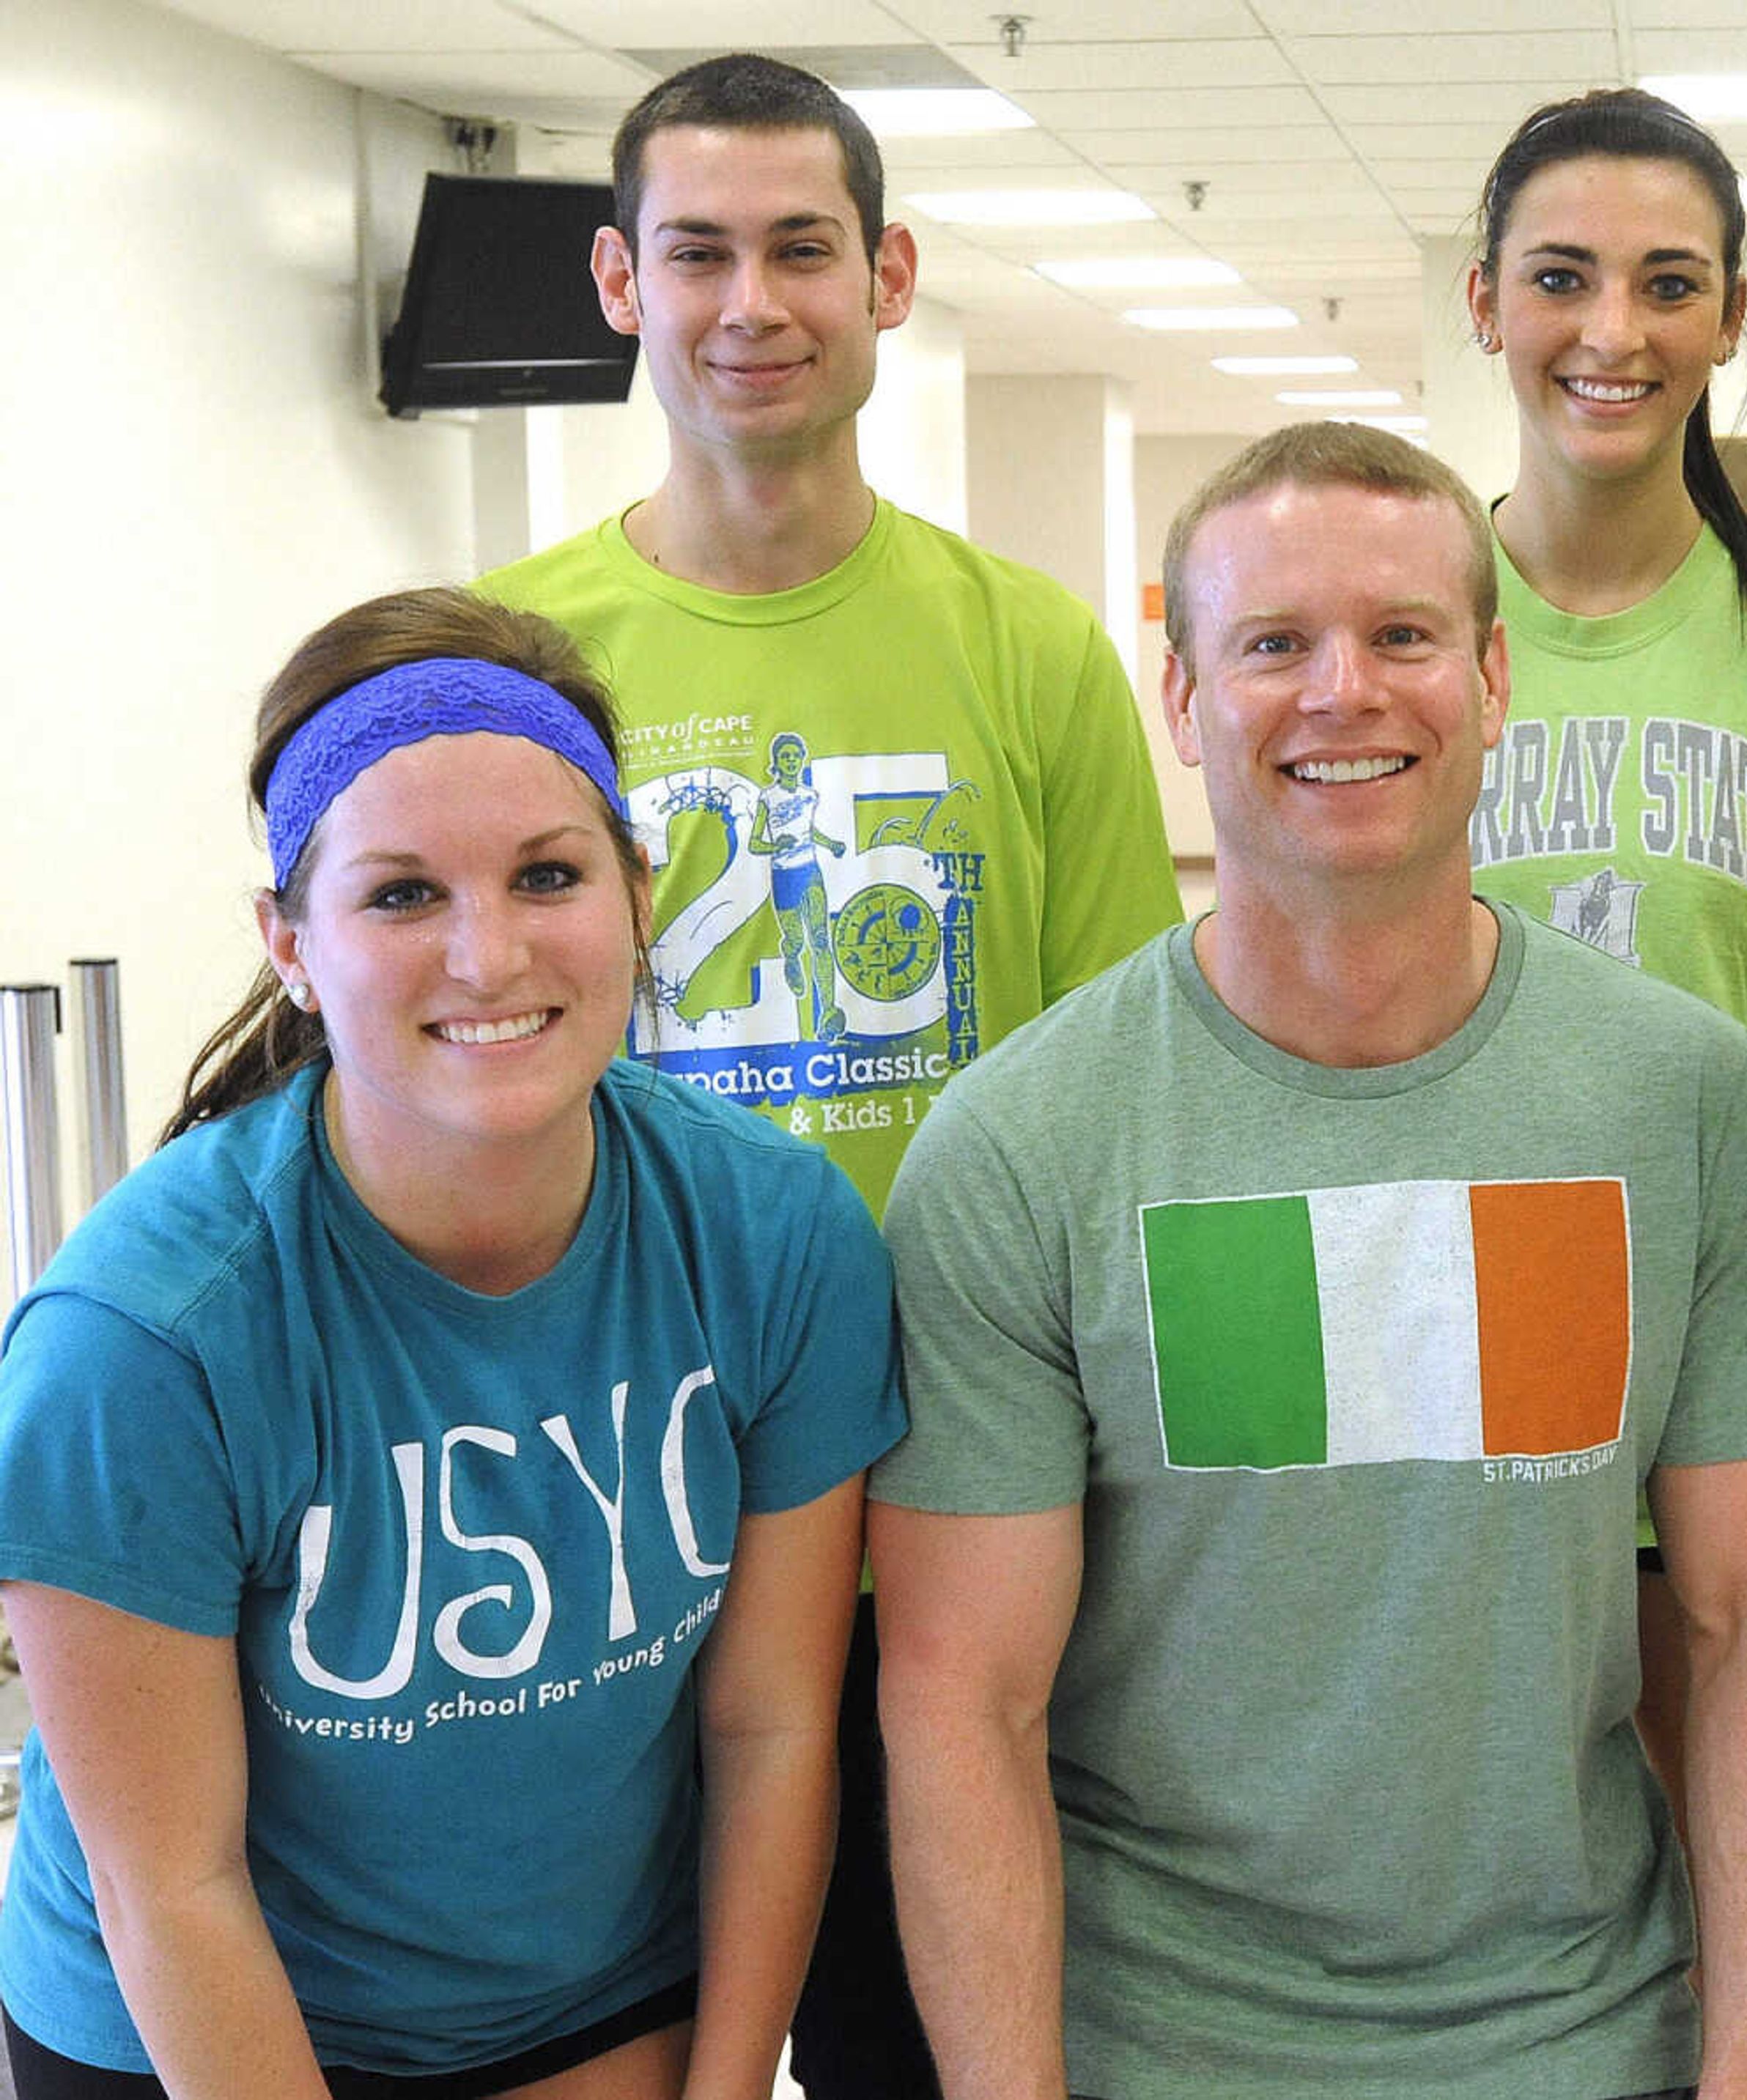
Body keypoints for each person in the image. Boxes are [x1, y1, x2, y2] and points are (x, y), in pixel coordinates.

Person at [869, 423, 1747, 2100]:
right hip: (1153, 2047)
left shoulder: (1677, 1094)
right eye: (1273, 644)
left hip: (1585, 2030)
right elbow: (966, 1697)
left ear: (1490, 676)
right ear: (1180, 701)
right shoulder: (1021, 1144)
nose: (1345, 691)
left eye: (1401, 635)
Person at [483, 53, 1183, 2098]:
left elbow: (1109, 1105)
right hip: (605, 1506)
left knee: (923, 2048)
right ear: (619, 278)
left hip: (943, 1515)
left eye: (804, 248)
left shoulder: (1028, 646)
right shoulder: (513, 656)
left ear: (888, 276)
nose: (750, 302)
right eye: (695, 250)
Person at [0, 589, 904, 2100]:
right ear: (291, 942)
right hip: (203, 2020)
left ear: (636, 889)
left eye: (548, 874)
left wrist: (731, 2086)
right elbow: (177, 1884)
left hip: (596, 1980)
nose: (488, 955)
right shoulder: (139, 1344)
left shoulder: (776, 1234)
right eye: (403, 894)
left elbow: (769, 1728)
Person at [1463, 90, 1747, 2090]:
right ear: (1486, 302)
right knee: (1504, 1954)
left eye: (1669, 284)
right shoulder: (1415, 629)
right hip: (1465, 1398)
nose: (1613, 329)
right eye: (1562, 278)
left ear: (1734, 314)